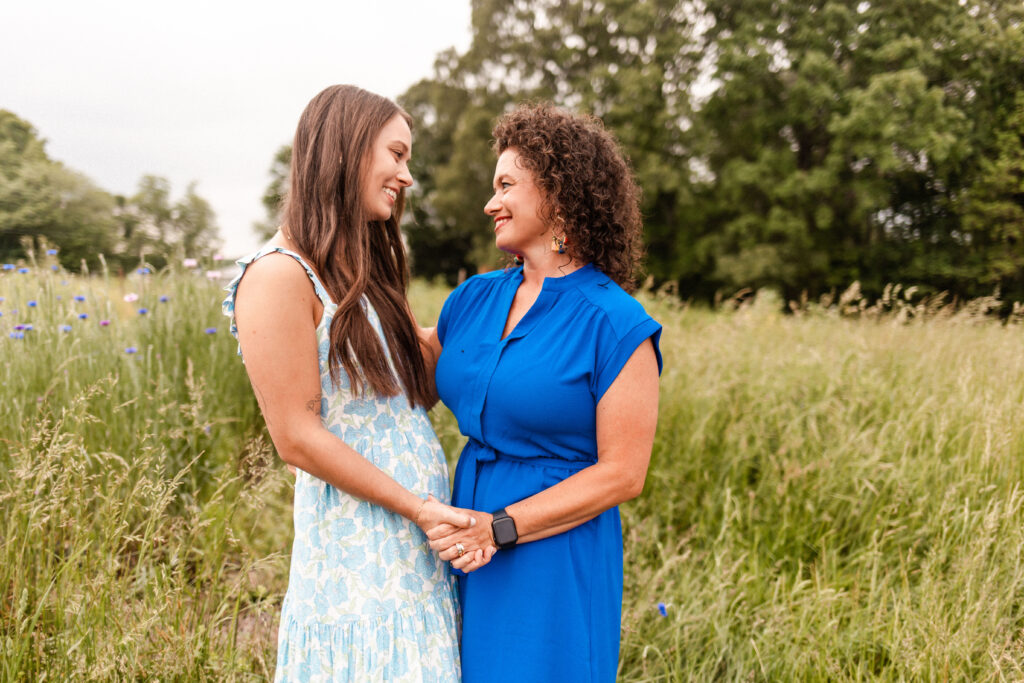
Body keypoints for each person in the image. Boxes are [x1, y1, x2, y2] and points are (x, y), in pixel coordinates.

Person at [222, 84, 475, 682]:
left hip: (416, 548)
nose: (406, 176)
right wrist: (419, 508)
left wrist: (505, 301)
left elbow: (420, 386)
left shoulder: (361, 274)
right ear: (347, 149)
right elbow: (296, 436)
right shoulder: (280, 276)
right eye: (397, 154)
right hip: (357, 553)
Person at [424, 104, 663, 682]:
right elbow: (403, 367)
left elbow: (623, 474)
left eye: (507, 185)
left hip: (550, 551)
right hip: (459, 540)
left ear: (558, 194)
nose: (490, 203)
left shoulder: (615, 324)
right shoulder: (472, 299)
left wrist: (498, 527)